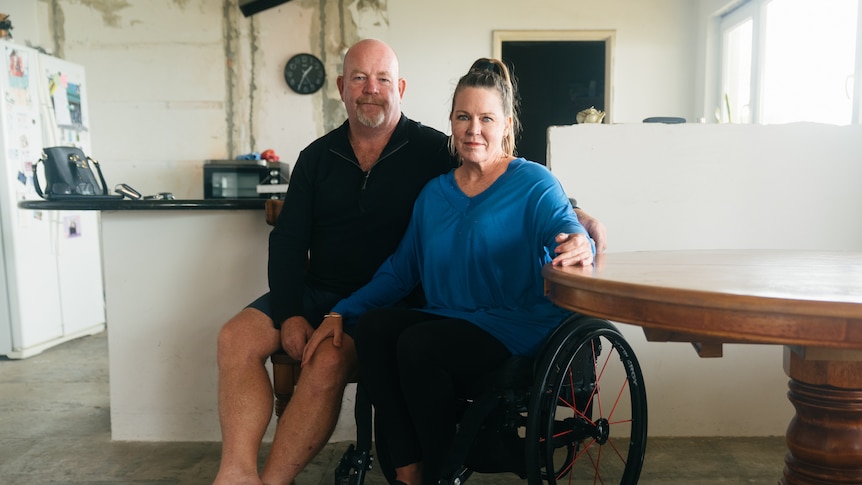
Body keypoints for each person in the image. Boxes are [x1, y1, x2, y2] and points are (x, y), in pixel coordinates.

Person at [214, 40, 604, 485]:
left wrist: (582, 231)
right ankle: (402, 472)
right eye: (463, 117)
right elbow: (392, 267)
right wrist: (333, 311)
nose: (473, 129)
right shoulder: (432, 189)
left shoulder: (511, 174)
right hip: (410, 307)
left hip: (512, 322)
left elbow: (557, 218)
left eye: (486, 119)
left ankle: (435, 474)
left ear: (506, 124)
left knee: (410, 345)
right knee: (364, 327)